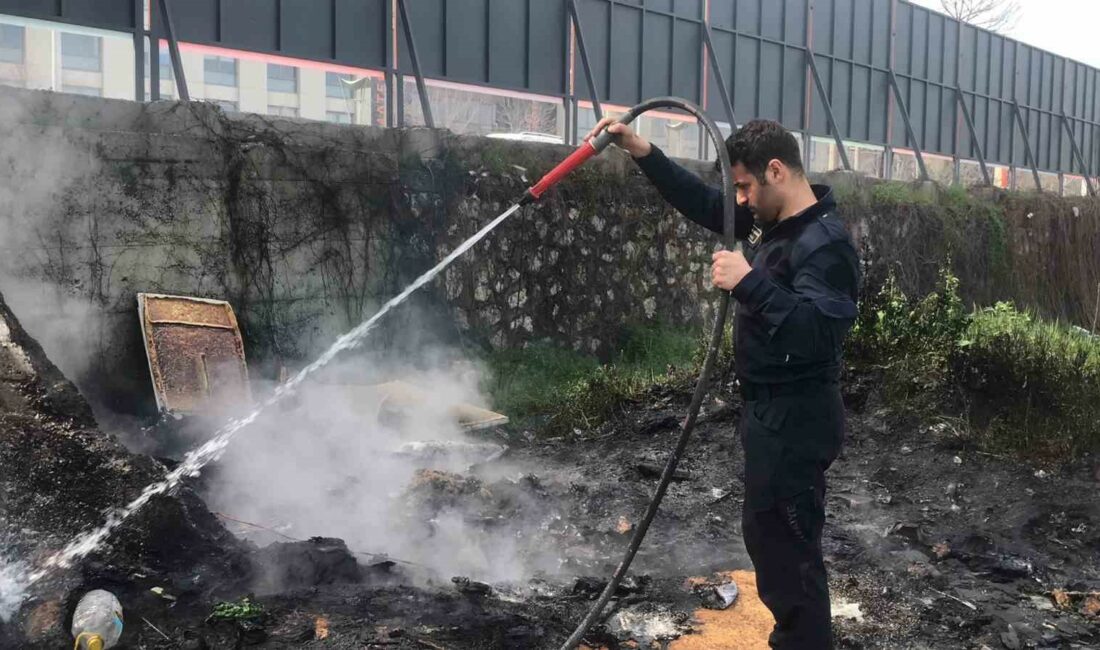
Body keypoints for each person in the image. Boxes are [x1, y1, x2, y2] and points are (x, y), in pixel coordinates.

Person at [586, 117, 860, 649]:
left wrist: (750, 283)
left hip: (797, 418)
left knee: (789, 551)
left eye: (745, 186)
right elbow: (707, 205)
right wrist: (641, 149)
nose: (739, 199)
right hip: (767, 414)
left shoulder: (823, 245)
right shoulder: (775, 224)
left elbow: (821, 334)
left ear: (775, 170)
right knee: (769, 539)